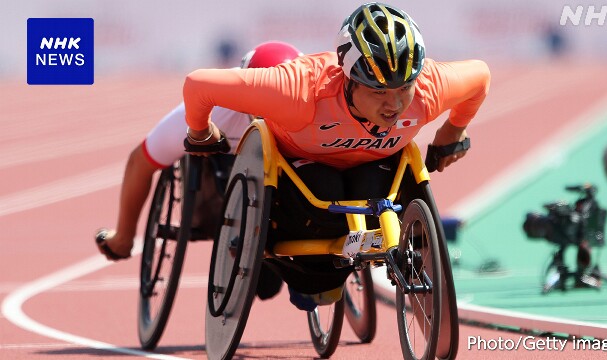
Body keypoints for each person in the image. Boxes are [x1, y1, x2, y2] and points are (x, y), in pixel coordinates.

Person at [182, 2, 490, 311]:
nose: (394, 105)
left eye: (404, 88)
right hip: (301, 179)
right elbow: (198, 86)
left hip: (372, 172)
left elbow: (480, 77)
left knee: (372, 184)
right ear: (349, 81)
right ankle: (308, 275)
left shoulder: (428, 89)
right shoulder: (298, 91)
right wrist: (200, 134)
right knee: (324, 188)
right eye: (379, 92)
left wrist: (453, 131)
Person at [95, 41, 303, 261]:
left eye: (281, 97)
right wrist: (124, 238)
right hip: (223, 176)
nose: (270, 107)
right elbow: (141, 161)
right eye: (263, 97)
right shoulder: (218, 108)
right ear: (244, 90)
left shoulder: (318, 102)